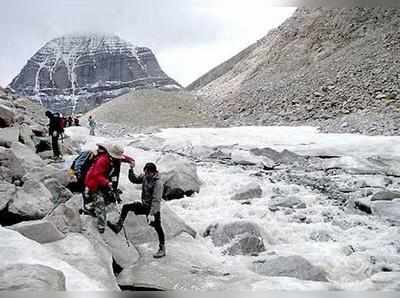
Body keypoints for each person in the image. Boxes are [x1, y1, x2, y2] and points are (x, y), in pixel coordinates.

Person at [108, 162, 166, 258]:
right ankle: (118, 226)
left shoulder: (158, 183)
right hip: (144, 205)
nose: (146, 175)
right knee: (126, 207)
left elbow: (156, 200)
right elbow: (134, 179)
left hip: (153, 209)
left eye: (148, 173)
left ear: (153, 172)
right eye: (145, 173)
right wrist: (131, 169)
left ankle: (162, 248)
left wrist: (152, 213)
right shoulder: (145, 177)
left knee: (157, 227)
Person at [84, 143, 125, 233]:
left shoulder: (113, 159)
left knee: (108, 198)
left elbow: (125, 157)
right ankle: (101, 225)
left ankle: (90, 207)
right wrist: (107, 183)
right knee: (100, 203)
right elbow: (96, 175)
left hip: (103, 182)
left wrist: (131, 161)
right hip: (93, 182)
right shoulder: (102, 160)